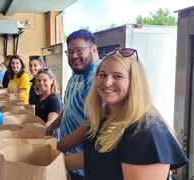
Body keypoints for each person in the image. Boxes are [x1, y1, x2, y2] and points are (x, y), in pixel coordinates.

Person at [64, 48, 189, 179]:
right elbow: (97, 158)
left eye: (117, 76)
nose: (107, 82)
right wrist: (53, 161)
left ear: (134, 82)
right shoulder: (104, 116)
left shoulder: (146, 131)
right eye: (102, 75)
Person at [45, 29, 100, 180]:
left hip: (83, 164)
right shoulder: (76, 75)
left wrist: (58, 148)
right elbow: (68, 108)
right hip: (68, 158)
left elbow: (91, 125)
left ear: (94, 49)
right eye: (69, 52)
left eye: (79, 50)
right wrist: (51, 127)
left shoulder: (97, 78)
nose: (74, 56)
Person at [35, 68, 62, 139]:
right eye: (39, 81)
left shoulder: (54, 100)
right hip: (40, 135)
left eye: (44, 80)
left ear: (51, 81)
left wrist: (33, 128)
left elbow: (51, 122)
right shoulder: (40, 97)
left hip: (50, 138)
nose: (41, 83)